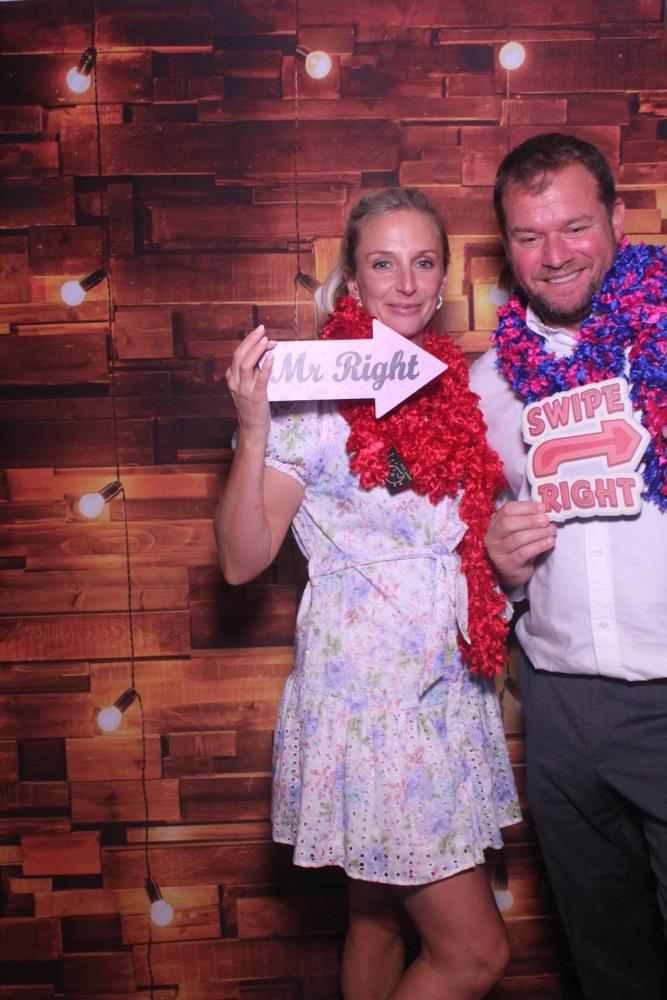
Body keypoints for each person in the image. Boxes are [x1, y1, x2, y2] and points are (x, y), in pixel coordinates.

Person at [216, 187, 520, 1000]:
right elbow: (241, 561)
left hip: (444, 690)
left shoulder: (450, 389)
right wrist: (254, 428)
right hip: (374, 706)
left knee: (379, 921)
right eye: (383, 263)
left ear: (443, 277)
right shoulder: (312, 399)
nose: (406, 283)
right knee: (473, 956)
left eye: (423, 262)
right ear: (350, 281)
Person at [469, 133, 667, 999]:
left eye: (574, 227)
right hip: (557, 708)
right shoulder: (487, 386)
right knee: (608, 962)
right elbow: (474, 556)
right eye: (528, 236)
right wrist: (499, 563)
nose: (553, 256)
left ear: (618, 218)